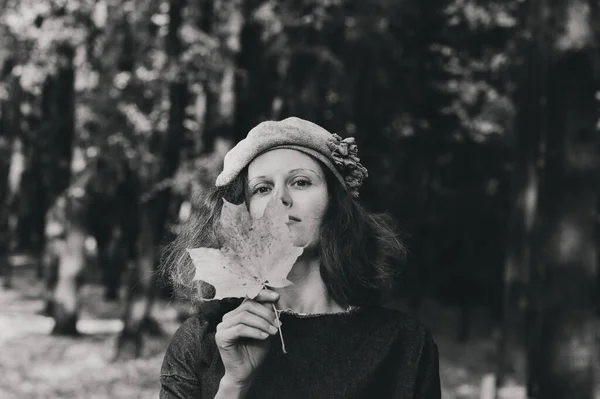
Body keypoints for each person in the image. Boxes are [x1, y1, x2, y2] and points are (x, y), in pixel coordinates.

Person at [159, 117, 441, 398]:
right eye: (262, 188)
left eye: (301, 182)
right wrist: (234, 384)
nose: (280, 199)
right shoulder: (202, 343)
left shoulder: (403, 343)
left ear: (334, 203)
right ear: (244, 213)